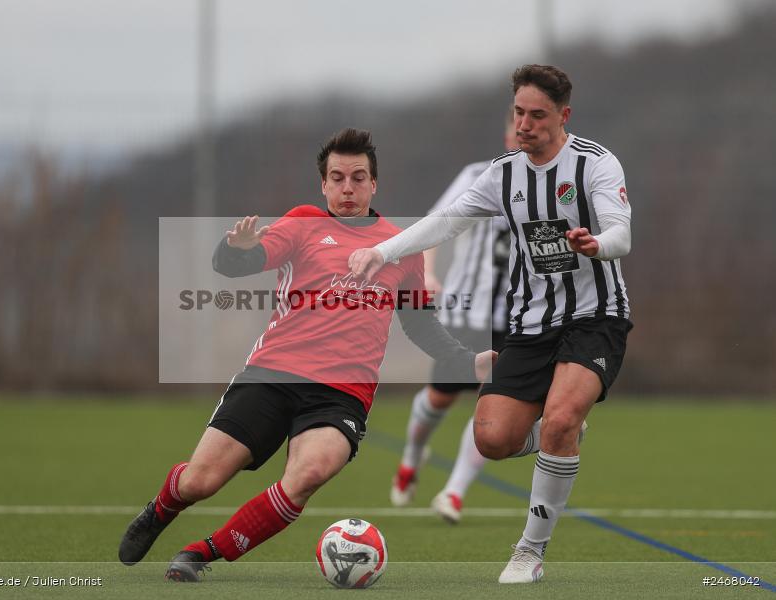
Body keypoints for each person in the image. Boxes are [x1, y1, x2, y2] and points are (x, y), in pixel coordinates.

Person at [118, 128, 495, 582]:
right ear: (324, 184)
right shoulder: (301, 223)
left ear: (374, 184)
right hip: (272, 374)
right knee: (201, 481)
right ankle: (161, 510)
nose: (348, 188)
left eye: (358, 178)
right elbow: (239, 263)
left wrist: (467, 361)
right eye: (337, 178)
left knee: (309, 473)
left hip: (342, 394)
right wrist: (233, 249)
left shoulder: (401, 246)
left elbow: (420, 325)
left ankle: (199, 554)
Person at [349, 65, 633, 584]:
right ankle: (556, 436)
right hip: (528, 323)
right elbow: (446, 221)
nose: (524, 123)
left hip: (595, 318)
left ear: (563, 116)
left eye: (537, 114)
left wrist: (597, 244)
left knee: (563, 417)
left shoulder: (596, 164)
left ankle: (529, 550)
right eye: (519, 112)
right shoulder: (502, 174)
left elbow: (622, 235)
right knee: (492, 439)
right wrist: (381, 252)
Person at [391, 109, 518, 525]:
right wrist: (427, 273)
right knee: (441, 397)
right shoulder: (479, 175)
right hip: (466, 309)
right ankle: (413, 455)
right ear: (507, 137)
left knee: (493, 402)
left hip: (517, 318)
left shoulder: (556, 187)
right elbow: (436, 226)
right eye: (518, 128)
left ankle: (454, 492)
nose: (526, 135)